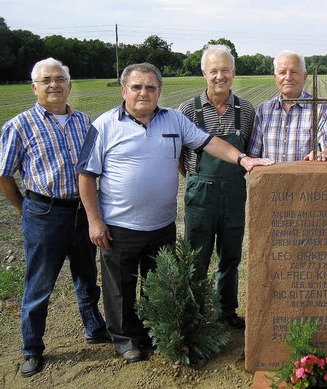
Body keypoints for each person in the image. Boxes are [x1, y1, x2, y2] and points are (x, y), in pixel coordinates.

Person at [76, 63, 273, 363]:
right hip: (119, 226)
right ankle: (126, 339)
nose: (144, 93)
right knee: (120, 288)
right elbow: (86, 175)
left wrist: (242, 159)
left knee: (156, 285)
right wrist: (94, 221)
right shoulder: (103, 125)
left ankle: (154, 332)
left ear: (159, 92)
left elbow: (208, 143)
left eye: (151, 87)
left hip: (162, 225)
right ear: (124, 90)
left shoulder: (174, 120)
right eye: (137, 87)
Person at [0, 58, 108, 378]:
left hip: (82, 210)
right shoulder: (19, 126)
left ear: (69, 85)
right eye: (45, 79)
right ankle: (31, 348)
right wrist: (25, 209)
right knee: (40, 284)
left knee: (87, 276)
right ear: (34, 87)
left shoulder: (84, 122)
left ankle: (94, 327)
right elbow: (4, 175)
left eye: (59, 78)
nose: (54, 84)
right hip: (44, 212)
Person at [177, 44, 253, 330]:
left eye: (225, 70)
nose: (219, 76)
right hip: (200, 193)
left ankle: (226, 311)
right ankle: (195, 314)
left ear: (234, 72)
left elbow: (248, 149)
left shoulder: (245, 110)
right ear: (203, 73)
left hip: (234, 192)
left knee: (230, 255)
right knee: (197, 256)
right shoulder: (187, 109)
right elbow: (178, 158)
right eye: (213, 71)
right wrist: (196, 180)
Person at [247, 49, 327, 161]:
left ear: (305, 76)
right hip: (272, 178)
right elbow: (254, 154)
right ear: (275, 77)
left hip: (308, 177)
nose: (288, 77)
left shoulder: (322, 108)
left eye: (294, 72)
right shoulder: (264, 110)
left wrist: (323, 154)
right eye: (282, 72)